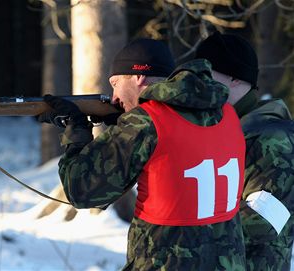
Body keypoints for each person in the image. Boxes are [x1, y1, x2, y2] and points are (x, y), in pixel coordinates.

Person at [39, 38, 247, 270]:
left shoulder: (145, 122)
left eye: (115, 83)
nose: (114, 97)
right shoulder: (227, 113)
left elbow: (82, 191)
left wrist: (75, 130)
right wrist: (123, 128)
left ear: (138, 77)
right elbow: (176, 150)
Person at [195, 31, 294, 271]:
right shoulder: (222, 128)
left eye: (205, 75)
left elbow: (268, 217)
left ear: (234, 78)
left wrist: (186, 232)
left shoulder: (272, 137)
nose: (197, 84)